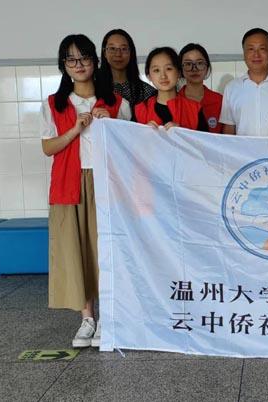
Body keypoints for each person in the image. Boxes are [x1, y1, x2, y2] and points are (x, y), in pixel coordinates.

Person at [40, 34, 131, 348]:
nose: (78, 65)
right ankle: (87, 318)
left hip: (107, 182)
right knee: (76, 249)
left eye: (84, 58)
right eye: (71, 59)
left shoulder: (117, 103)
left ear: (95, 61)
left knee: (105, 248)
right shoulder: (54, 104)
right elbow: (48, 148)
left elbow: (131, 147)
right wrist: (74, 130)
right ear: (63, 65)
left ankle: (108, 316)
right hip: (69, 183)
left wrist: (113, 123)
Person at [134, 47, 208, 131]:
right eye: (156, 70)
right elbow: (129, 138)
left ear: (179, 72)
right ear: (149, 76)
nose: (163, 76)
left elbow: (205, 139)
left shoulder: (194, 109)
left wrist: (182, 132)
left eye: (168, 69)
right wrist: (143, 133)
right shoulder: (140, 110)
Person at [99, 28, 156, 118]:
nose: (118, 54)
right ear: (104, 53)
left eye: (124, 49)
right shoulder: (94, 88)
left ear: (131, 53)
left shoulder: (147, 92)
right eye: (112, 48)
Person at [178, 43, 223, 133]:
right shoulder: (174, 102)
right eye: (188, 64)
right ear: (181, 69)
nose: (194, 69)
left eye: (200, 63)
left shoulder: (220, 101)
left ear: (207, 67)